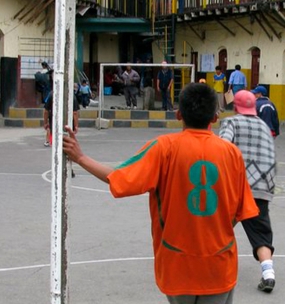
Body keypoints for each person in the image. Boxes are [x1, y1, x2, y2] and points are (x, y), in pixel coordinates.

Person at [62, 83, 259, 303]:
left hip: (176, 261)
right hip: (219, 261)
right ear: (215, 117)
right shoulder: (232, 154)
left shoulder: (163, 148)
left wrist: (80, 158)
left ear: (178, 114)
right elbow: (241, 211)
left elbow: (117, 178)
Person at [218, 90, 277, 294]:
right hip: (262, 187)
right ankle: (268, 274)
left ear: (236, 107)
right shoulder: (264, 126)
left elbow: (222, 148)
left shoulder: (231, 123)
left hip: (236, 186)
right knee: (261, 233)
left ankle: (204, 266)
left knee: (218, 228)